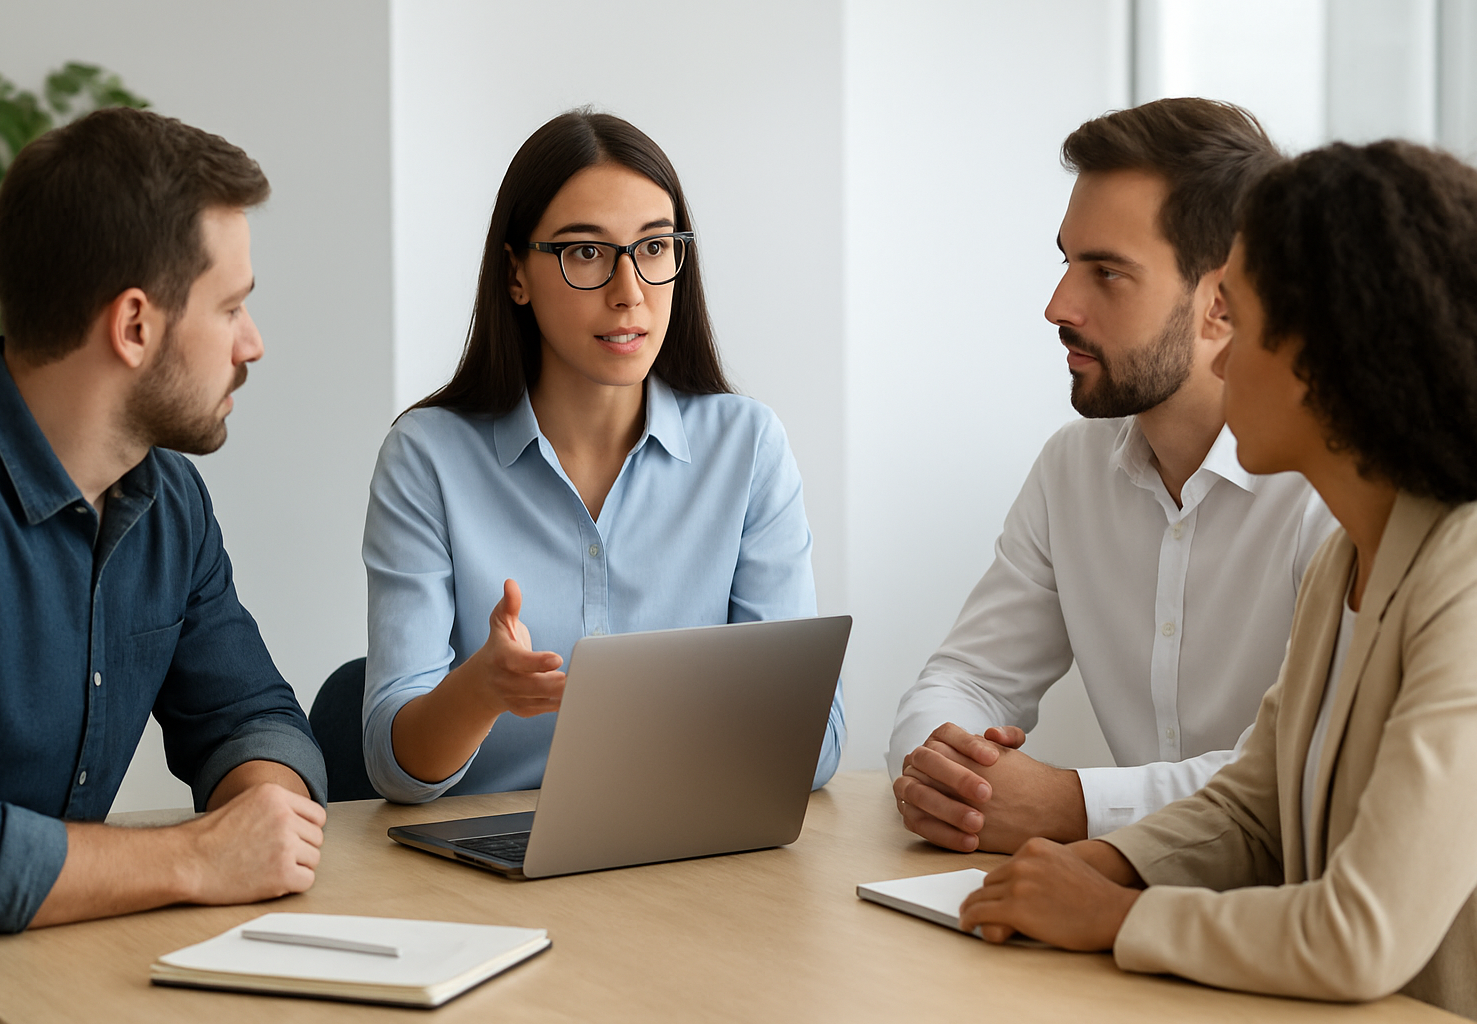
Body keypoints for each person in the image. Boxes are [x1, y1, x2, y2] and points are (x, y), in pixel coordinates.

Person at [959, 139, 1477, 1019]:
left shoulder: (1464, 577)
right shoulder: (1355, 557)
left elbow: (1361, 936)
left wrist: (1121, 914)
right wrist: (1111, 860)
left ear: (1329, 352)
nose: (1224, 358)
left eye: (1242, 319)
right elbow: (1254, 808)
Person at [889, 98, 1337, 853]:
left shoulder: (1331, 489)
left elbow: (1316, 773)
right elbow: (964, 678)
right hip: (1118, 906)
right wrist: (956, 775)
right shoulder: (1073, 469)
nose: (1058, 305)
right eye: (1066, 260)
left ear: (1221, 304)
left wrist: (1075, 806)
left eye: (1107, 273)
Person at [362, 110, 844, 802]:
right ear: (516, 274)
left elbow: (816, 740)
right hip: (485, 866)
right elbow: (392, 765)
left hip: (688, 852)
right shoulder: (427, 458)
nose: (629, 292)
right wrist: (481, 690)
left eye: (653, 248)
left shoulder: (748, 447)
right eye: (585, 252)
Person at [0, 108, 329, 936]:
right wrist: (198, 858)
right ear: (134, 326)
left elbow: (252, 717)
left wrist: (264, 811)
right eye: (230, 310)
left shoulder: (168, 501)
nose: (253, 345)